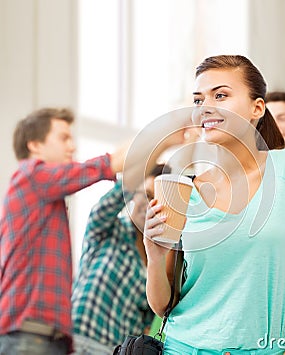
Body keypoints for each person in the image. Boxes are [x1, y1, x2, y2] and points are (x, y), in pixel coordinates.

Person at [144, 55, 285, 354]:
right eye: (198, 99)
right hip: (183, 347)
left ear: (257, 108)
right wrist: (154, 256)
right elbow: (162, 304)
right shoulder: (187, 191)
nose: (205, 106)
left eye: (221, 95)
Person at [0, 107, 188, 354]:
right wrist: (165, 135)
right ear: (34, 145)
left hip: (66, 341)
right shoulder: (32, 176)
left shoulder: (159, 256)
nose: (72, 147)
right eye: (63, 138)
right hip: (38, 336)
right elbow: (111, 165)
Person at [71, 163, 171, 354]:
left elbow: (149, 320)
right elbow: (104, 207)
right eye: (148, 194)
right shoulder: (109, 230)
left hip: (115, 350)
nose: (152, 206)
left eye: (159, 201)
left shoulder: (158, 262)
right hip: (78, 341)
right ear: (133, 194)